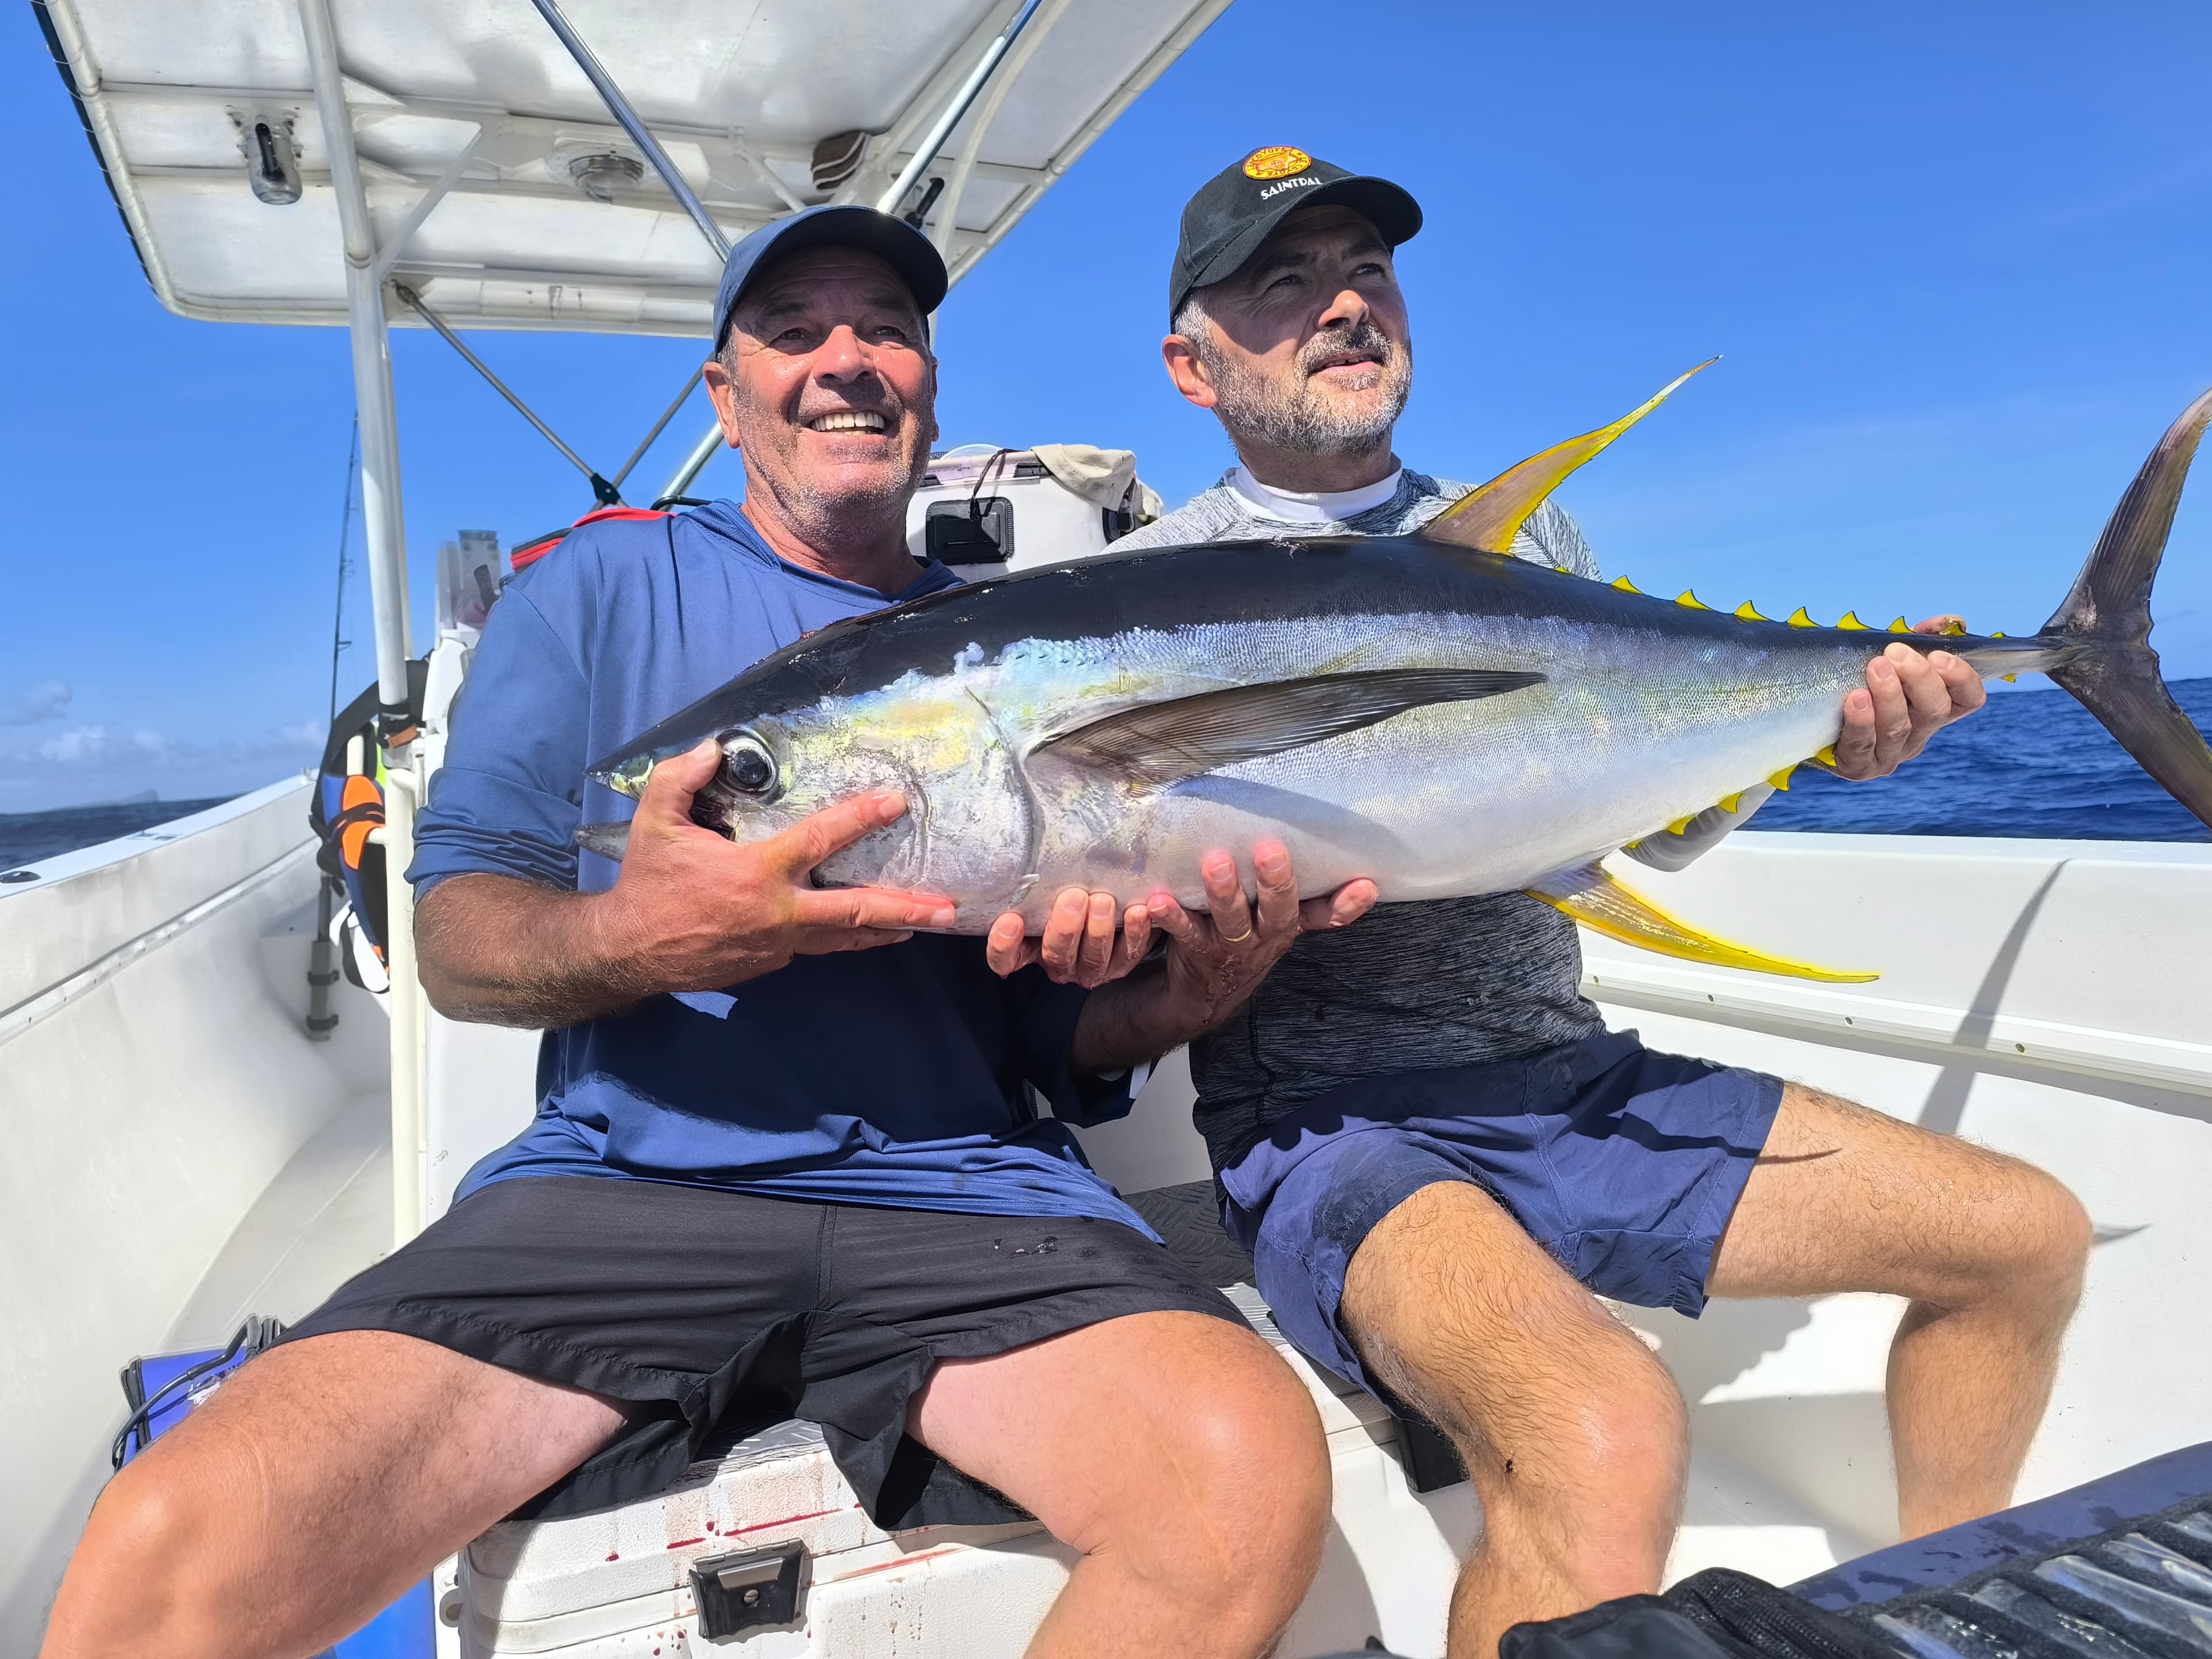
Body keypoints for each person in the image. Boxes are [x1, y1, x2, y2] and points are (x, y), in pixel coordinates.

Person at [41, 205, 1380, 1659]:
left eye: (888, 329)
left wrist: (1194, 986)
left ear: (929, 379)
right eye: (795, 330)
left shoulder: (1020, 646)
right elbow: (460, 937)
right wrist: (645, 938)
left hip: (967, 1187)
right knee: (170, 1555)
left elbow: (1057, 1033)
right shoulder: (592, 597)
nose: (849, 361)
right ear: (724, 394)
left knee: (1237, 1487)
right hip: (629, 1185)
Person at [1111, 149, 2093, 1658]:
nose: (1344, 305)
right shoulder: (1141, 594)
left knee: (2022, 1237)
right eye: (1283, 282)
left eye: (1367, 270)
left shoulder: (1521, 537)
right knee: (1596, 1417)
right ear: (1192, 362)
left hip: (1573, 1083)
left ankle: (1937, 1619)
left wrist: (1822, 739)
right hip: (1334, 1126)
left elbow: (1651, 820)